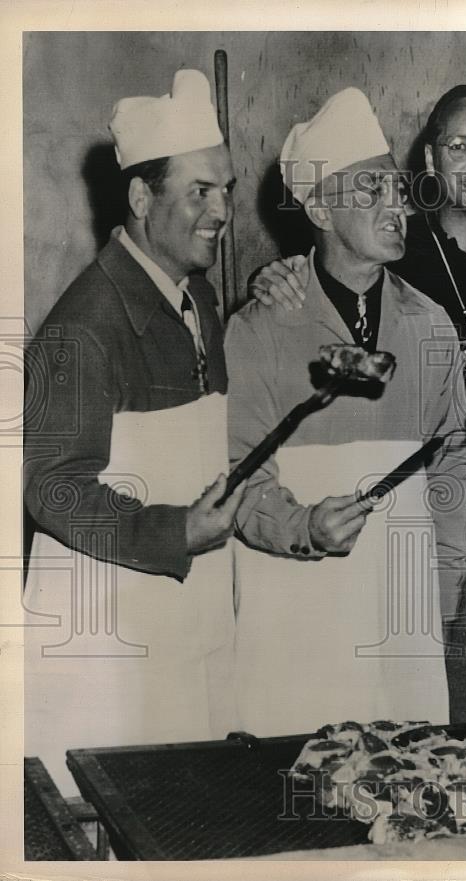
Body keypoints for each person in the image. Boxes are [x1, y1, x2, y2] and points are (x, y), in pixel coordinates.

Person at [248, 85, 466, 722]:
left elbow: (450, 460)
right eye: (460, 147)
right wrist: (273, 277)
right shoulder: (393, 247)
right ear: (431, 160)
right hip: (335, 564)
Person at [225, 87, 466, 735]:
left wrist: (439, 597)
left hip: (402, 621)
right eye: (370, 191)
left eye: (396, 189)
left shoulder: (430, 325)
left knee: (412, 787)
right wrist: (303, 526)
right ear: (317, 205)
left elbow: (449, 472)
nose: (397, 206)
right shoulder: (261, 328)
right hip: (295, 610)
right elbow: (238, 475)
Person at [22, 69, 244, 795]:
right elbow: (53, 488)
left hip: (180, 625)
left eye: (227, 191)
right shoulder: (84, 326)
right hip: (106, 642)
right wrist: (172, 530)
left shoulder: (197, 298)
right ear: (142, 199)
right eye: (200, 192)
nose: (223, 212)